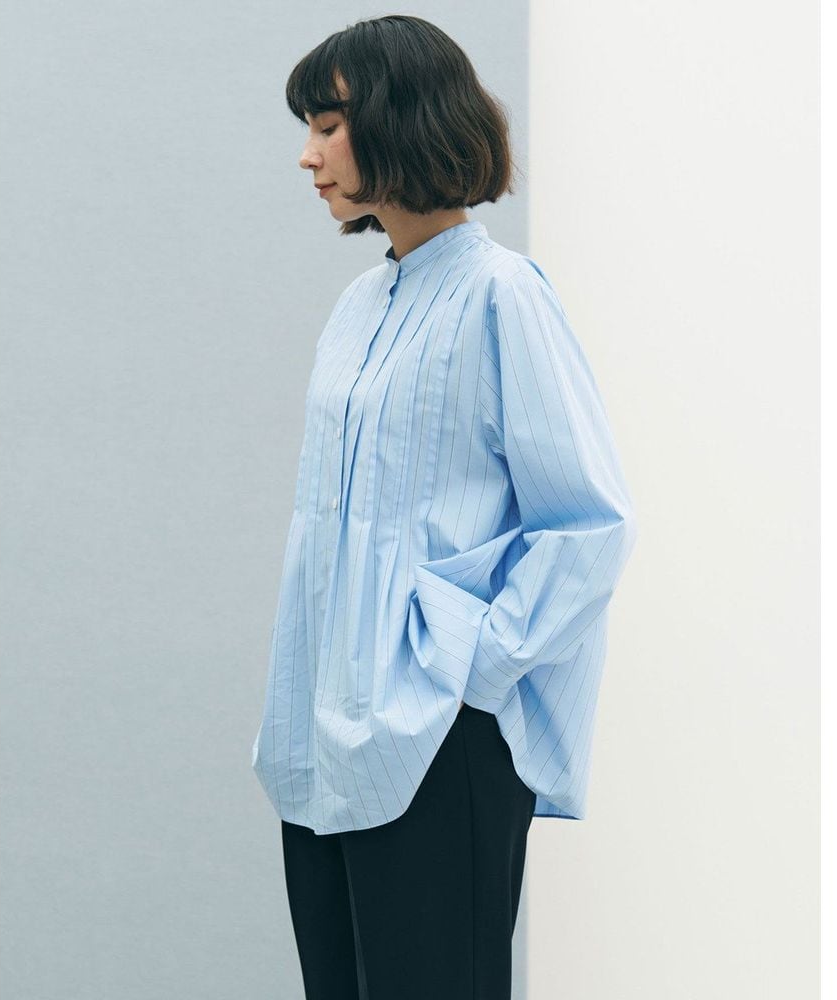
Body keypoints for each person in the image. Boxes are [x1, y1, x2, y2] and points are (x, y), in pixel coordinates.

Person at [251, 14, 638, 1000]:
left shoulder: (505, 296)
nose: (307, 156)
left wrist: (474, 663)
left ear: (401, 119)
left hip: (437, 735)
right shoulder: (357, 309)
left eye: (328, 126)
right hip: (320, 736)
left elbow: (588, 523)